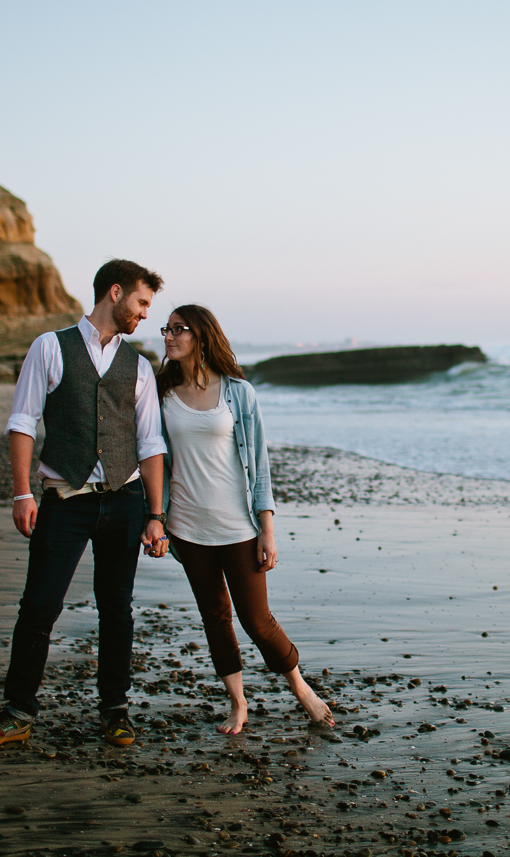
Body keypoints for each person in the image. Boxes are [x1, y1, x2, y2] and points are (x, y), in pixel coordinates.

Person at [0, 259, 170, 748]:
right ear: (116, 293)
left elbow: (151, 444)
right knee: (39, 605)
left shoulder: (139, 366)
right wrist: (21, 493)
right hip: (64, 499)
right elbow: (23, 422)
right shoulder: (49, 348)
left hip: (124, 502)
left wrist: (155, 516)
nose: (145, 314)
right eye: (142, 302)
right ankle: (18, 710)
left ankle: (115, 710)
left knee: (116, 610)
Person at [157, 304, 334, 734]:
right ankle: (238, 703)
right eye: (167, 328)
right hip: (187, 526)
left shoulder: (238, 392)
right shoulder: (161, 393)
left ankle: (299, 685)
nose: (169, 336)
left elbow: (260, 465)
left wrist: (266, 528)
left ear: (201, 335)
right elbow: (155, 459)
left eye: (179, 329)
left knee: (257, 620)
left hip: (238, 528)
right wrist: (156, 519)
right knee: (215, 616)